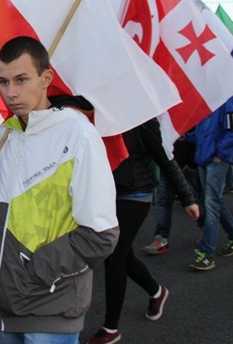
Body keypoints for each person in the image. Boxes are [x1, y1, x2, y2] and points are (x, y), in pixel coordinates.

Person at [0, 36, 119, 343]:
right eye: (3, 82)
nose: (11, 93)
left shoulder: (78, 135)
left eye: (21, 80)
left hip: (51, 309)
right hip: (6, 310)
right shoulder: (2, 135)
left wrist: (35, 269)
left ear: (46, 78)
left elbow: (101, 235)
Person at [88, 118, 199, 344]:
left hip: (136, 194)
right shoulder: (95, 113)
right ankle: (156, 291)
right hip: (107, 194)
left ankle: (111, 328)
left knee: (114, 255)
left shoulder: (142, 118)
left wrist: (187, 197)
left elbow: (163, 157)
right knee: (124, 256)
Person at [188, 97, 233, 271]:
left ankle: (207, 252)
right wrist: (187, 136)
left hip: (216, 161)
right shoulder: (206, 101)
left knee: (211, 202)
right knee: (215, 201)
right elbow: (201, 131)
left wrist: (220, 155)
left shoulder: (226, 101)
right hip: (205, 159)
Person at [143, 135, 204, 255]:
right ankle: (161, 239)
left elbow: (197, 134)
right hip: (167, 163)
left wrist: (192, 163)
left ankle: (204, 228)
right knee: (163, 202)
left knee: (194, 201)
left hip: (186, 166)